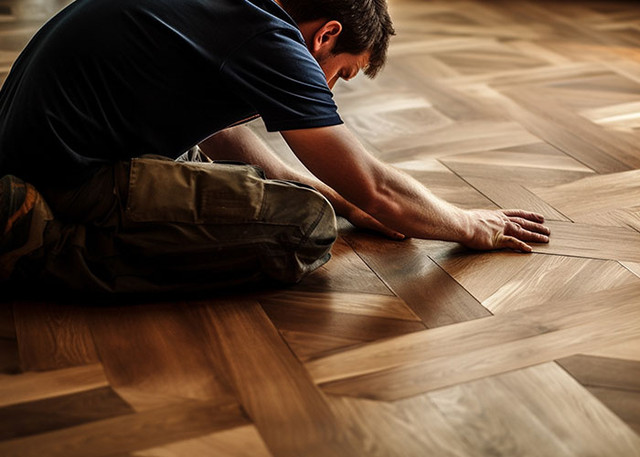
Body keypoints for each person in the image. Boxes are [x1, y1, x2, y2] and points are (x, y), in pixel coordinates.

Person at [0, 0, 549, 293]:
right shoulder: (268, 37)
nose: (329, 88)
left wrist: (341, 196)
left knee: (298, 193)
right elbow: (380, 188)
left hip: (47, 146)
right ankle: (39, 246)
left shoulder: (230, 12)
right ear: (327, 34)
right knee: (303, 227)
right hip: (70, 176)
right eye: (343, 73)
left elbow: (217, 132)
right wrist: (474, 225)